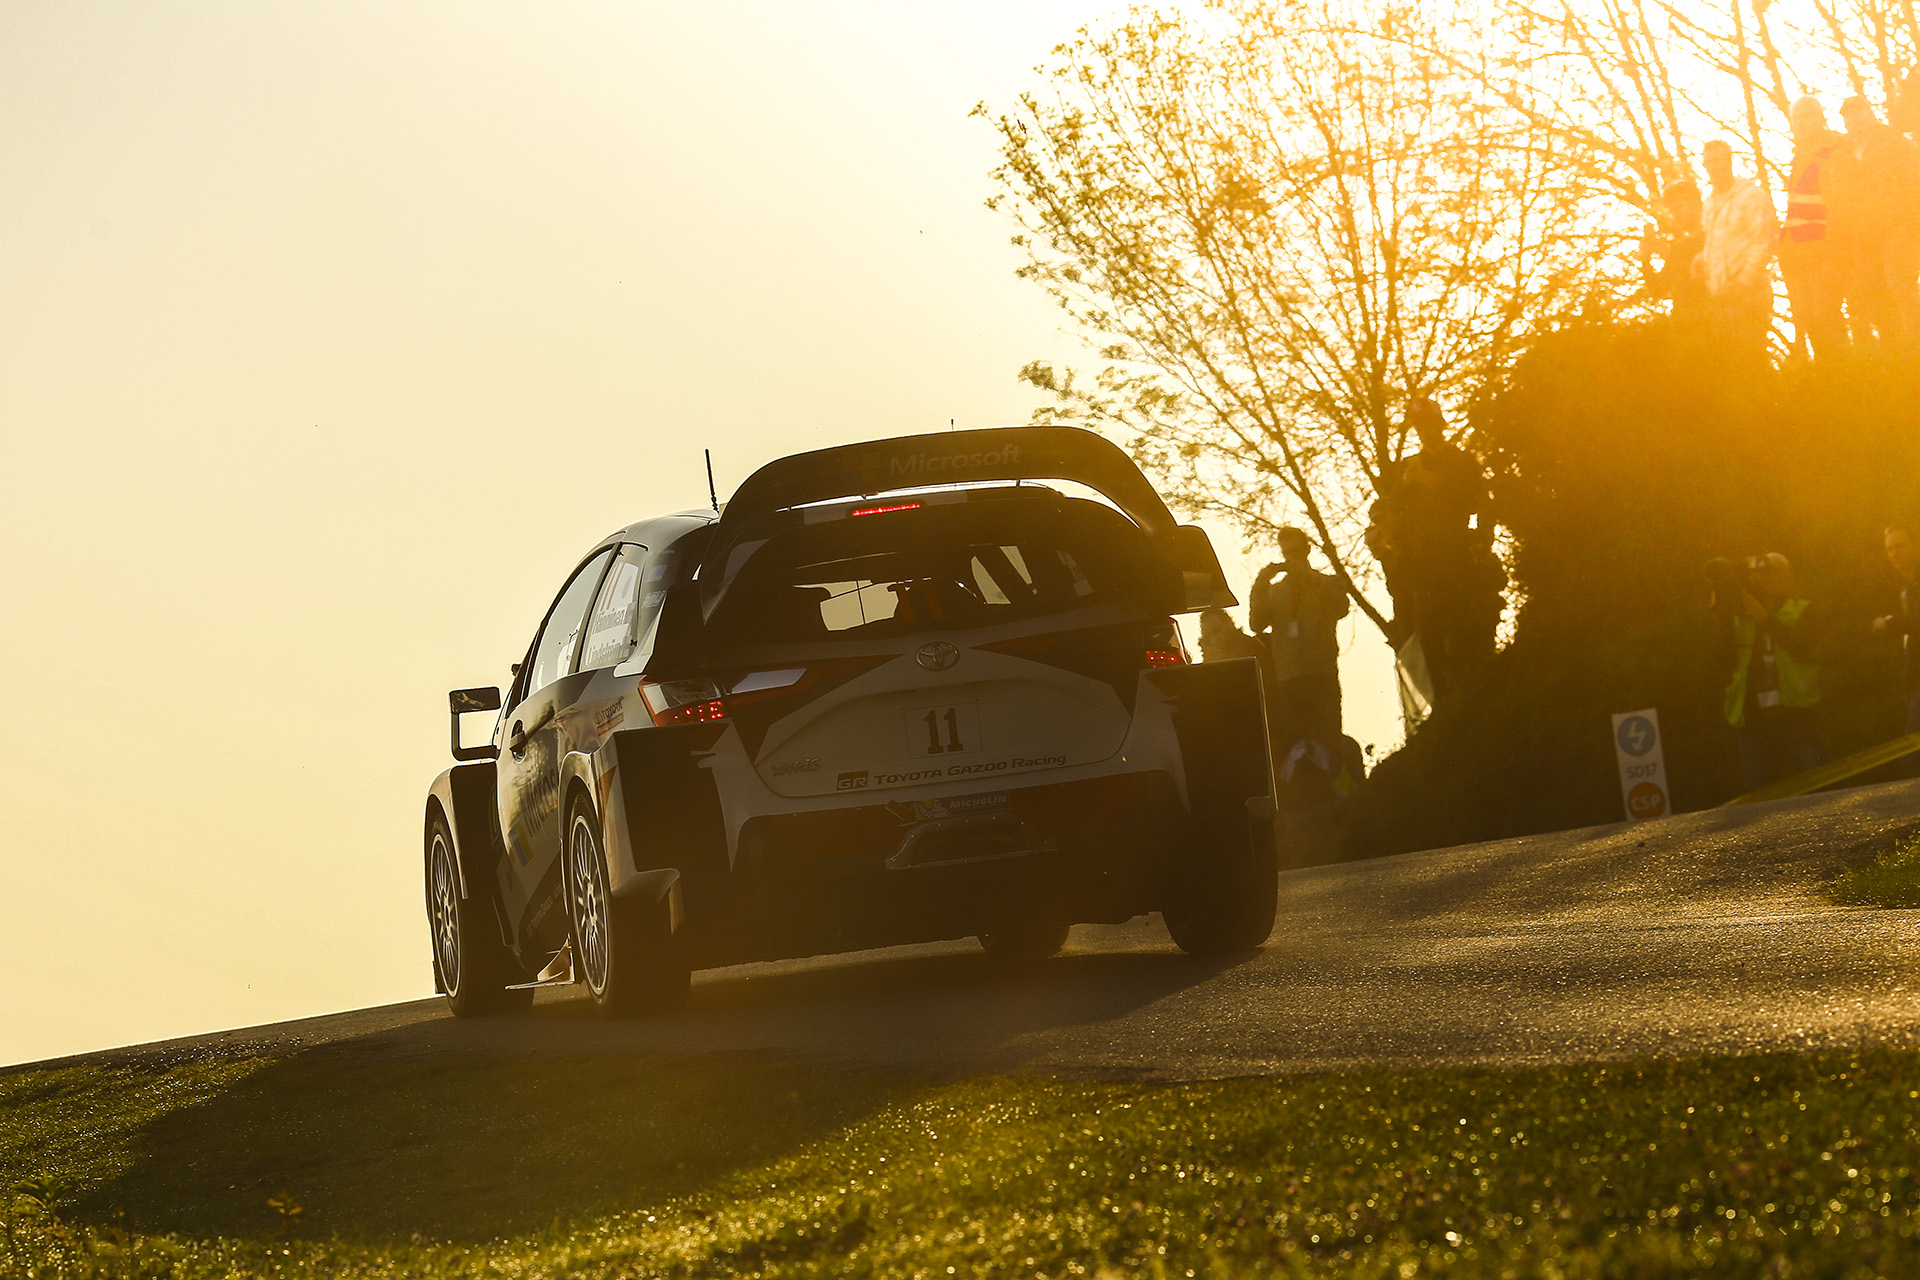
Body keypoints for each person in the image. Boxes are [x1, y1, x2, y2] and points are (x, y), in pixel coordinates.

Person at [1711, 552, 1826, 789]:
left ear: (1789, 577)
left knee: (1822, 788)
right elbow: (1722, 662)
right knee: (1765, 799)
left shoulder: (1801, 609)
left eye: (1774, 571)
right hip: (1754, 725)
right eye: (1763, 573)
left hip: (1796, 719)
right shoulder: (1741, 616)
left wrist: (1763, 617)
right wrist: (1723, 615)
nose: (1768, 578)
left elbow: (1802, 644)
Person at [1249, 527, 1350, 748]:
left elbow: (1341, 608)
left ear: (1307, 550)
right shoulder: (1275, 592)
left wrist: (1309, 579)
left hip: (1321, 674)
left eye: (1295, 551)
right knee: (1296, 747)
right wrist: (1261, 583)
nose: (1291, 558)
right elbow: (1256, 624)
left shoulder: (1328, 583)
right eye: (1287, 553)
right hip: (1288, 678)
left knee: (1329, 741)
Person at [1836, 96, 1920, 345]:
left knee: (1902, 292)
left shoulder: (1894, 142)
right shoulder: (1844, 152)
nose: (1855, 120)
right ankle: (1894, 354)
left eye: (1859, 113)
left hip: (1897, 233)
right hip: (1864, 240)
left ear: (1870, 113)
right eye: (1849, 116)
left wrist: (1909, 227)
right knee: (1875, 299)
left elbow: (1915, 183)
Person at [1779, 99, 1855, 358]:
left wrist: (1834, 258)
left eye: (1807, 116)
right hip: (1802, 257)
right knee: (1812, 323)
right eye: (1796, 118)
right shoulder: (1801, 156)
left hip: (1826, 254)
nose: (1801, 123)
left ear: (1820, 117)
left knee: (1827, 320)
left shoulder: (1833, 152)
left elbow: (1841, 210)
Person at [1699, 139, 1778, 353]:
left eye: (1718, 160)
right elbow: (1714, 244)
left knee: (1751, 357)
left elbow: (1764, 241)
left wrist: (1744, 283)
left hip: (1749, 295)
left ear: (1729, 161)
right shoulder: (1709, 203)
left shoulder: (1751, 196)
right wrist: (1701, 261)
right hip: (1719, 297)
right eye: (1708, 162)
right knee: (1729, 363)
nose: (1713, 167)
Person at [1870, 524, 1920, 742]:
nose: (1894, 553)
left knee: (1910, 752)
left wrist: (1890, 623)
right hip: (1912, 678)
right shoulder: (1901, 585)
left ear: (1916, 546)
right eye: (1890, 549)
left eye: (1900, 546)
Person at [1638, 178, 1708, 323]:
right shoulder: (1679, 248)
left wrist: (1671, 258)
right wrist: (1645, 260)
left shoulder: (1715, 238)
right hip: (1684, 329)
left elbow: (1705, 286)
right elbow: (1658, 290)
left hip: (1713, 326)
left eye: (1678, 208)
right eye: (1671, 211)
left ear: (1695, 204)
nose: (1674, 215)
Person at [1197, 607, 1269, 667]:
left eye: (1216, 631)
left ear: (1229, 625)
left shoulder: (1249, 646)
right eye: (1208, 636)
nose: (1213, 639)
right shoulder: (1210, 653)